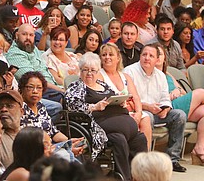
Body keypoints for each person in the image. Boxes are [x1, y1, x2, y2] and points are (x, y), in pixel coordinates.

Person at [65, 52, 147, 180]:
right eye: (85, 70)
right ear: (80, 71)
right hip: (96, 126)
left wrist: (121, 102)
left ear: (98, 71)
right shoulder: (76, 88)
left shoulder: (103, 85)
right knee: (118, 139)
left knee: (140, 139)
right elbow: (71, 106)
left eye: (93, 70)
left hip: (122, 123)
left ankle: (140, 177)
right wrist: (94, 107)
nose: (89, 73)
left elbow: (114, 96)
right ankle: (125, 177)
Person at [123, 44, 187, 172]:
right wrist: (147, 107)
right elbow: (128, 98)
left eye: (151, 56)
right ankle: (146, 161)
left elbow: (165, 98)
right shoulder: (129, 71)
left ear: (157, 60)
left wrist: (166, 109)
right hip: (138, 111)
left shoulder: (161, 75)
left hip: (157, 110)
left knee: (179, 115)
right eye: (144, 55)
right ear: (139, 56)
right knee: (149, 117)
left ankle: (172, 159)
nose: (147, 58)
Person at [155, 43, 204, 165]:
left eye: (160, 54)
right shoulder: (153, 75)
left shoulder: (167, 74)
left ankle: (199, 148)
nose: (157, 57)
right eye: (155, 55)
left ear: (164, 57)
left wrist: (177, 91)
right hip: (169, 107)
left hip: (180, 103)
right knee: (200, 92)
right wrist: (169, 94)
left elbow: (181, 90)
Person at [97, 43, 152, 150]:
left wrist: (138, 112)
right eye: (104, 55)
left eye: (110, 55)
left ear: (118, 58)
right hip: (113, 113)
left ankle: (146, 156)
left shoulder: (125, 76)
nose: (107, 57)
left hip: (129, 111)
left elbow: (135, 97)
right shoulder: (99, 75)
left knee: (145, 118)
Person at [19, 71, 84, 160]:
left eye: (39, 88)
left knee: (75, 149)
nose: (35, 91)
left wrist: (69, 142)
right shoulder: (20, 109)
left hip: (49, 147)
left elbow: (53, 132)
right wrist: (63, 147)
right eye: (30, 87)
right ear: (22, 89)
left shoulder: (40, 106)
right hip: (34, 151)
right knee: (67, 154)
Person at [0, 90, 24, 168]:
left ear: (21, 112)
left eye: (9, 106)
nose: (4, 109)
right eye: (0, 107)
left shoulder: (29, 135)